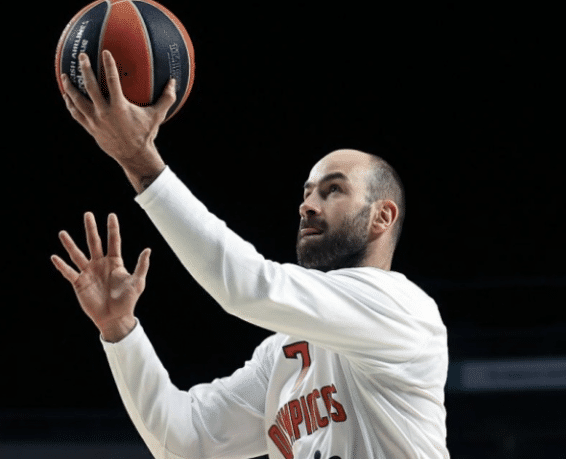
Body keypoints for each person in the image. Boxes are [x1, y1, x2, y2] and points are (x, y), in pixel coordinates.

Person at [51, 50, 450, 459]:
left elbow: (250, 287)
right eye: (307, 192)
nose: (307, 205)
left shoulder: (403, 310)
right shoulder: (283, 355)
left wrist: (141, 162)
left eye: (333, 190)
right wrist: (120, 330)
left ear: (382, 217)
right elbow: (185, 441)